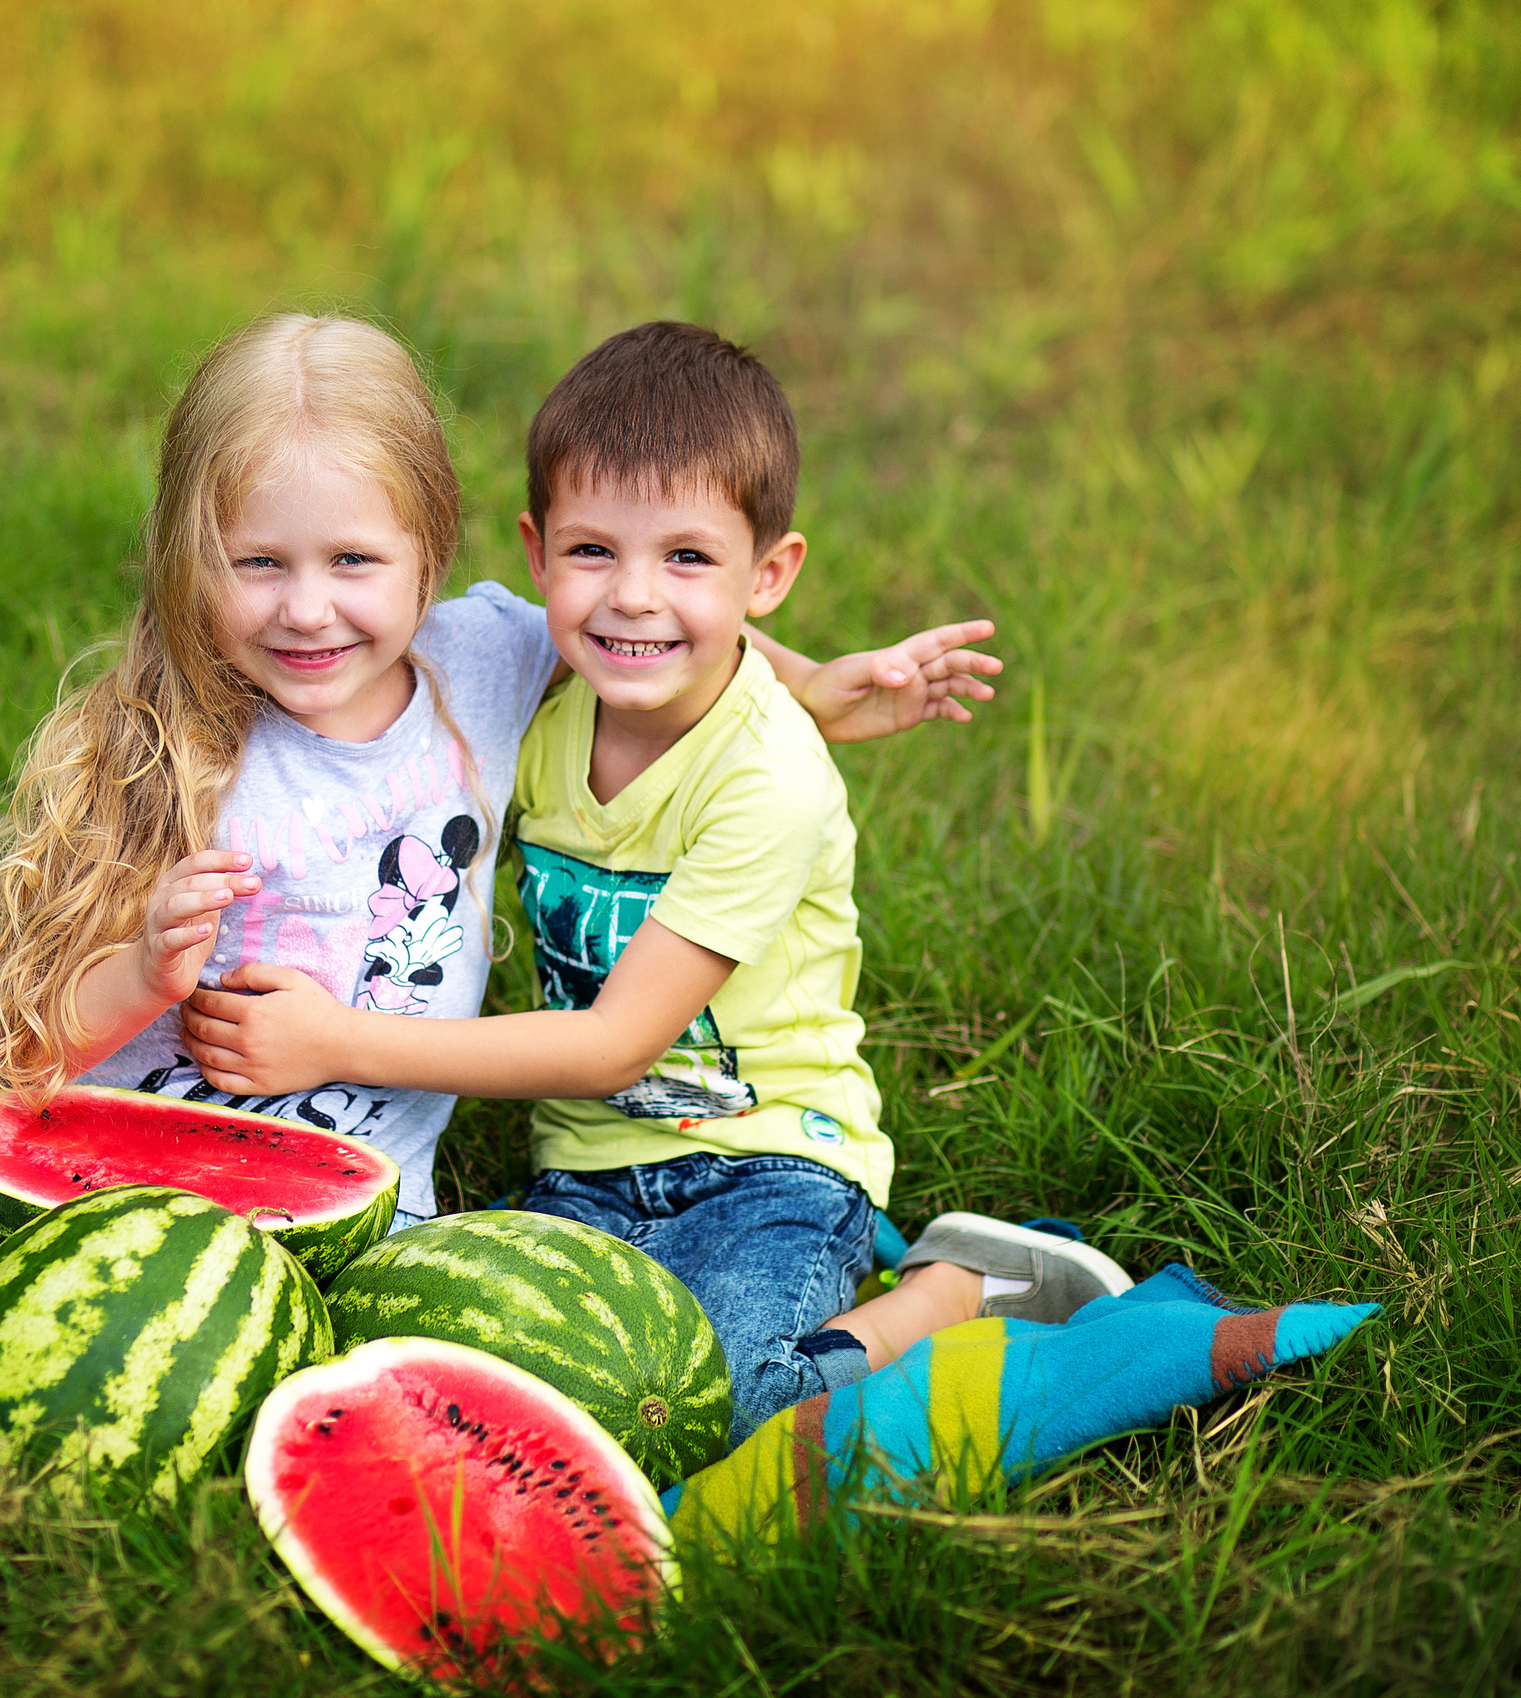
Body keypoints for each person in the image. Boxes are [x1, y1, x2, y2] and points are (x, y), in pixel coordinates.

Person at [0, 313, 1005, 1422]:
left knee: (538, 1405)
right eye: (258, 563)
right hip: (131, 1166)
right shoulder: (167, 744)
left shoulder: (483, 664)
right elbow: (16, 1056)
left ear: (432, 556)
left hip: (359, 1214)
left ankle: (955, 1299)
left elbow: (646, 621)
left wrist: (808, 687)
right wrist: (141, 977)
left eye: (352, 560)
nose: (307, 608)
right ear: (188, 558)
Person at [180, 322, 1131, 1443]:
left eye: (685, 558)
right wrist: (818, 675)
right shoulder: (544, 690)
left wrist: (336, 1044)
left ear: (768, 574)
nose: (631, 597)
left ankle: (951, 1290)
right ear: (537, 556)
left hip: (769, 1163)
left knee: (720, 1407)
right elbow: (646, 641)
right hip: (582, 1163)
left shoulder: (768, 782)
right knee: (495, 1403)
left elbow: (611, 1046)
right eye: (594, 553)